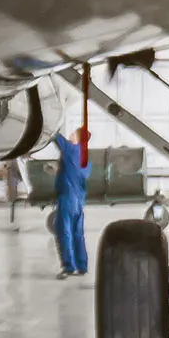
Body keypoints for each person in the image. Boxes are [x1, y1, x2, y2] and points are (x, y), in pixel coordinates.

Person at [50, 112, 91, 278]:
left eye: (73, 134)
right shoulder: (85, 157)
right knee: (78, 234)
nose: (70, 136)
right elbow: (77, 174)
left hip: (67, 199)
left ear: (78, 139)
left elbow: (54, 135)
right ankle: (82, 266)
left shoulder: (70, 149)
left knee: (64, 232)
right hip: (79, 202)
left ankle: (68, 267)